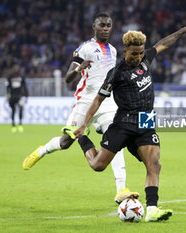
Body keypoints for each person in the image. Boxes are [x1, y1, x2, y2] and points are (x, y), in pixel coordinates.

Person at [73, 22, 186, 222]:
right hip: (123, 123)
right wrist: (83, 124)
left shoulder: (146, 59)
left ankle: (151, 210)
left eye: (140, 53)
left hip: (146, 122)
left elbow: (164, 43)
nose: (138, 57)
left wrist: (183, 30)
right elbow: (98, 99)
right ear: (125, 51)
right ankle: (82, 139)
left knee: (154, 164)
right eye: (134, 54)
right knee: (98, 165)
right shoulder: (116, 73)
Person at [22, 13, 138, 204]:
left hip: (106, 101)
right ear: (94, 26)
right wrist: (78, 68)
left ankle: (121, 190)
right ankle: (41, 151)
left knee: (115, 138)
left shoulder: (114, 51)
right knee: (67, 141)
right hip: (85, 100)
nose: (105, 28)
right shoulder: (86, 48)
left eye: (108, 25)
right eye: (102, 25)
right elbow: (68, 77)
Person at [5, 64, 28, 133]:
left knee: (21, 108)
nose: (16, 69)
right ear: (13, 69)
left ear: (18, 69)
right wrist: (8, 96)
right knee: (13, 110)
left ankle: (20, 124)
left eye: (17, 68)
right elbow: (7, 87)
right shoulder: (10, 77)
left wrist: (26, 95)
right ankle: (13, 125)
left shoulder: (21, 76)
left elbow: (24, 86)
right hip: (12, 96)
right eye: (15, 68)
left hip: (19, 96)